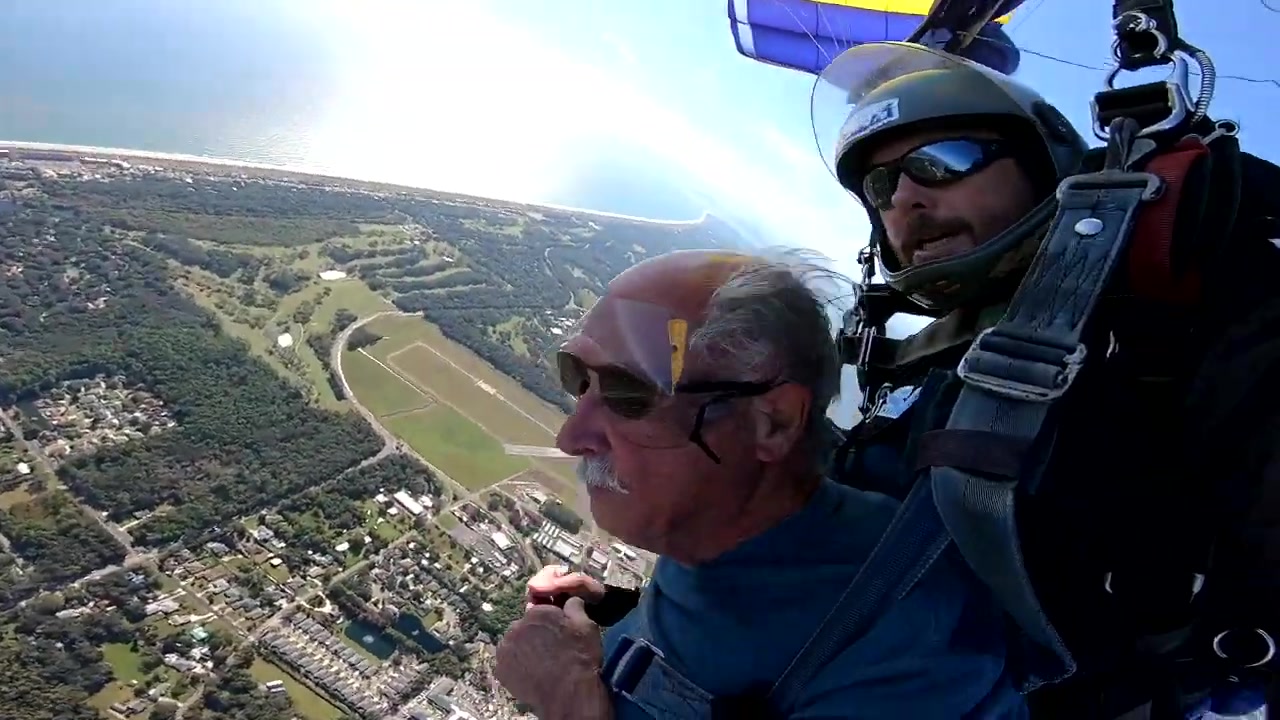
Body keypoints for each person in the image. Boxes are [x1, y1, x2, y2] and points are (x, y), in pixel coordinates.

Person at [810, 42, 1280, 719]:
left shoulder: (1183, 327)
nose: (906, 199)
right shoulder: (916, 358)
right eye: (881, 187)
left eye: (942, 163)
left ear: (1041, 166)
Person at [494, 248, 1028, 719]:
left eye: (632, 396)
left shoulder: (913, 648)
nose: (571, 437)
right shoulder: (720, 529)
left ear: (771, 421)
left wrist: (565, 698)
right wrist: (615, 609)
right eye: (577, 378)